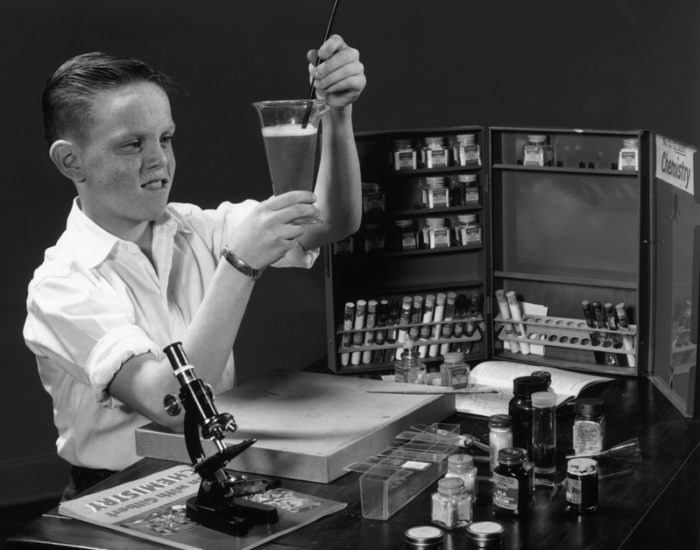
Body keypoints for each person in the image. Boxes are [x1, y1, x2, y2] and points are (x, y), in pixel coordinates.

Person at [23, 35, 366, 499]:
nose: (158, 160)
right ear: (70, 161)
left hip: (216, 475)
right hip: (118, 492)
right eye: (132, 145)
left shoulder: (196, 228)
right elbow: (172, 404)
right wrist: (239, 264)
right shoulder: (61, 285)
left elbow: (331, 220)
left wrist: (338, 115)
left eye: (165, 138)